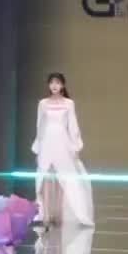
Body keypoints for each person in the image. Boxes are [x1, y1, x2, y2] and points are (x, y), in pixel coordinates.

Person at [31, 73, 94, 227]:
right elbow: (40, 126)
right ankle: (44, 214)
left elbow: (73, 125)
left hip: (62, 142)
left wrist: (76, 146)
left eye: (57, 83)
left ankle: (65, 215)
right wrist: (38, 148)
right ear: (48, 85)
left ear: (63, 85)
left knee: (65, 178)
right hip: (46, 142)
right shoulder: (43, 103)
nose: (54, 86)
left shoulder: (69, 103)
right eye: (52, 83)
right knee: (44, 178)